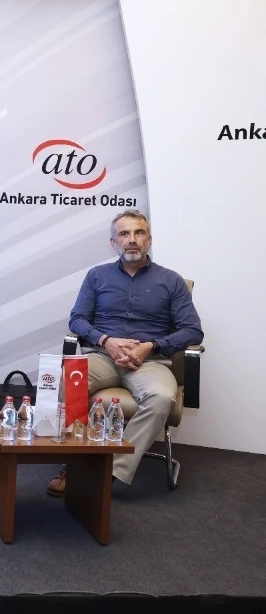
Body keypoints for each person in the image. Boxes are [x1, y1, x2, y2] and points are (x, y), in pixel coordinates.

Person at [47, 209, 203, 496]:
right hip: (103, 356)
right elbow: (77, 319)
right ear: (113, 242)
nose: (132, 239)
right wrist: (106, 340)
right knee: (70, 379)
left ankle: (108, 471)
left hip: (150, 362)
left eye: (139, 233)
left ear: (149, 240)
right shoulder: (97, 276)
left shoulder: (171, 281)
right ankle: (77, 463)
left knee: (161, 398)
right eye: (124, 233)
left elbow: (193, 330)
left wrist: (150, 346)